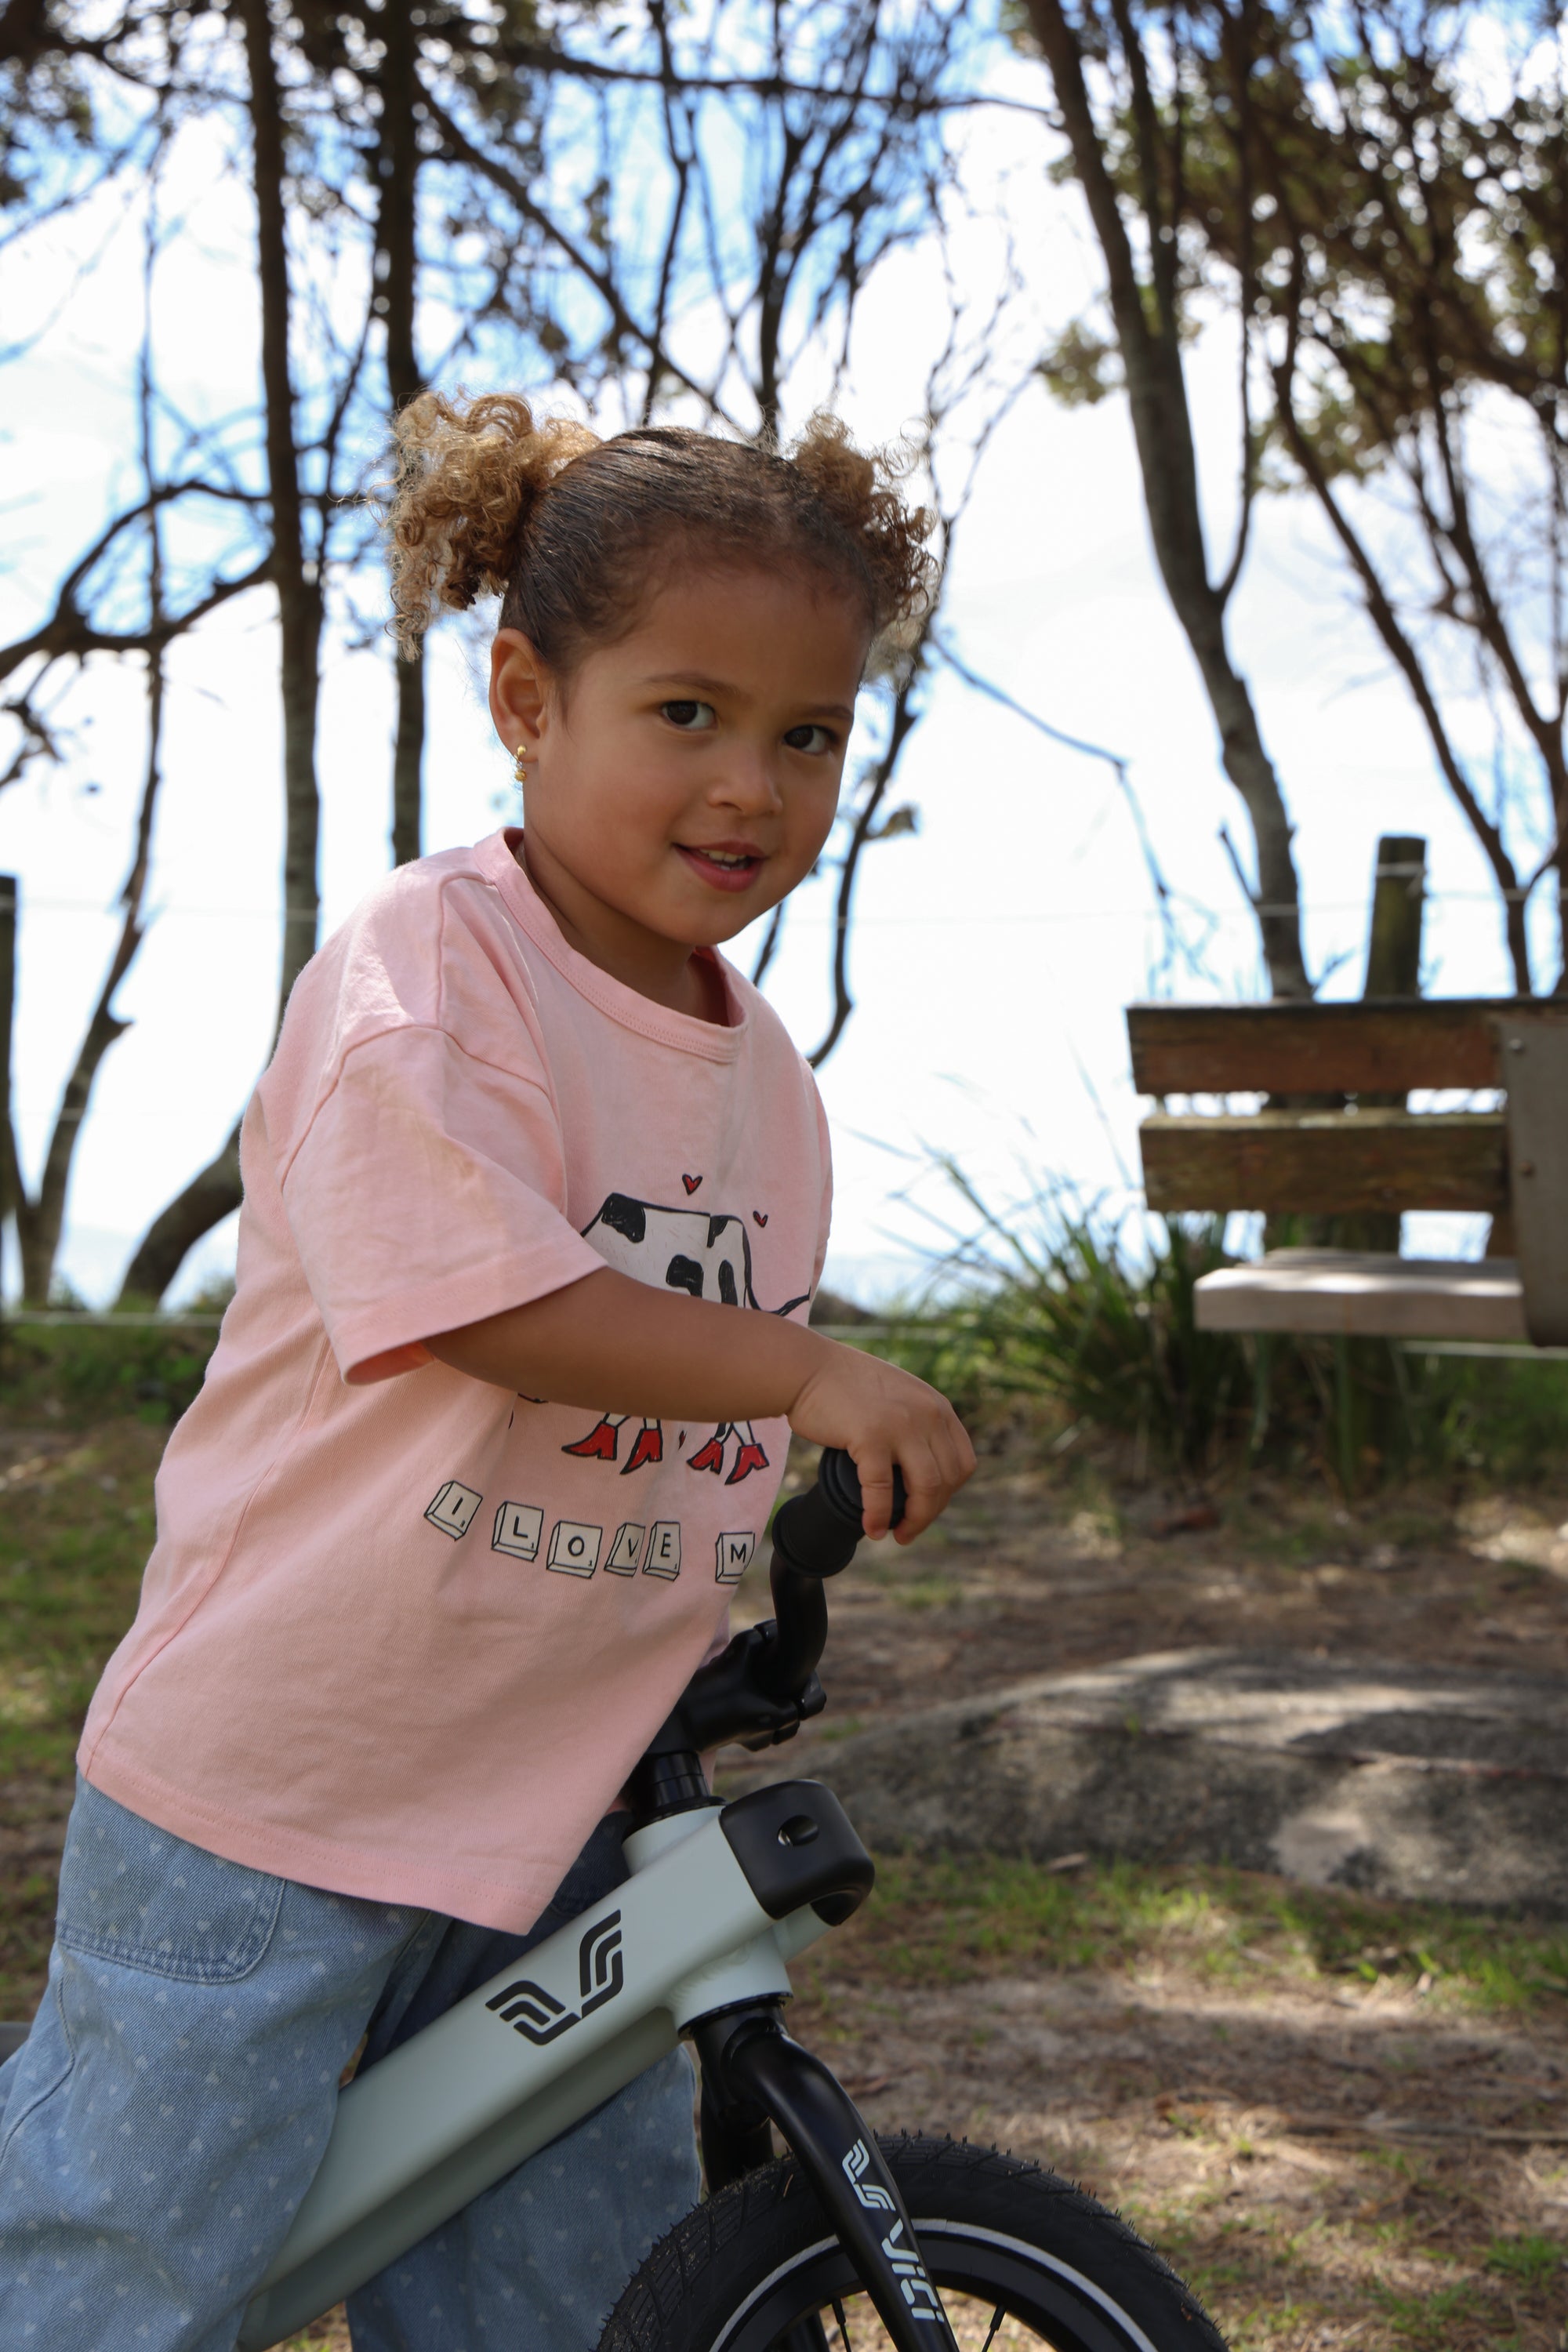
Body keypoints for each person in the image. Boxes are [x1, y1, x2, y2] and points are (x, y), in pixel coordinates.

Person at [0, 394, 975, 2351]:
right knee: (131, 2268)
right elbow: (474, 1298)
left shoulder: (762, 1076)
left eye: (806, 735)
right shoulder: (432, 970)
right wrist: (798, 1373)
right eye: (685, 713)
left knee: (568, 2290)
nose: (750, 785)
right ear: (528, 694)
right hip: (288, 1777)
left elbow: (666, 1434)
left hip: (550, 1807)